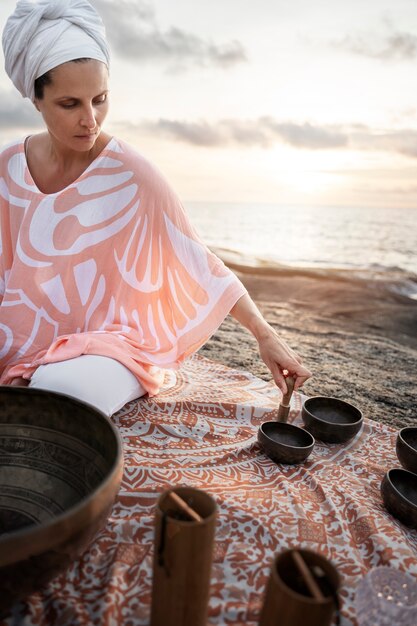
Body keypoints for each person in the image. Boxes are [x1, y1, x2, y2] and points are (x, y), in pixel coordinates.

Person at [0, 0, 311, 416]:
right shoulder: (8, 168)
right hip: (21, 331)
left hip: (113, 343)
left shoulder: (133, 173)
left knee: (56, 394)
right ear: (36, 100)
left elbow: (199, 260)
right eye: (70, 104)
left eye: (101, 99)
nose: (90, 120)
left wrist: (264, 335)